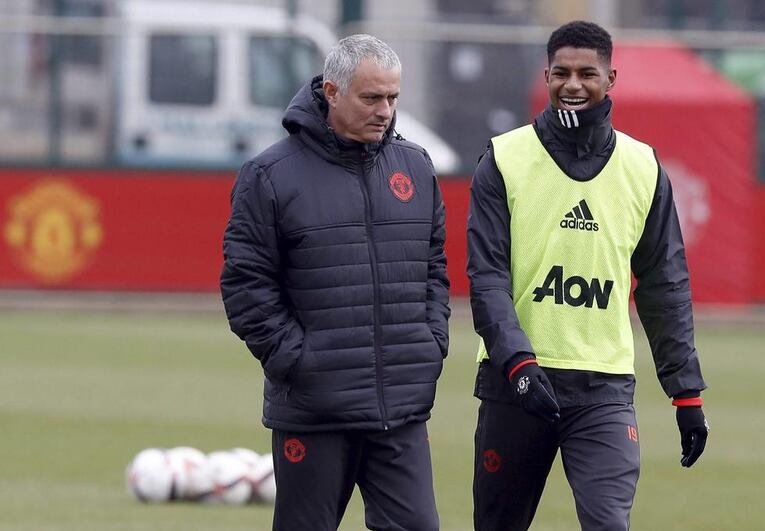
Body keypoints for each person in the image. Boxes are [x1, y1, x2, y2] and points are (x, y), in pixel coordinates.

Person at [467, 21, 709, 531]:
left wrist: (685, 393)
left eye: (586, 73)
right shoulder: (504, 157)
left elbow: (665, 284)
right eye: (561, 72)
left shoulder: (643, 167)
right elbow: (486, 277)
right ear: (547, 75)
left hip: (603, 390)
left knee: (607, 524)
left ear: (611, 77)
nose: (572, 84)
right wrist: (518, 362)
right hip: (516, 384)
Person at [220, 34, 450, 531]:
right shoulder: (270, 175)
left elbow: (433, 267)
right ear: (332, 91)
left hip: (402, 407)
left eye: (392, 97)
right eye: (372, 98)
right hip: (315, 407)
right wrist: (297, 360)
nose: (385, 110)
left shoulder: (416, 167)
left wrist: (429, 343)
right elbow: (245, 285)